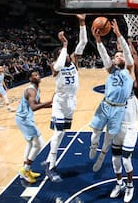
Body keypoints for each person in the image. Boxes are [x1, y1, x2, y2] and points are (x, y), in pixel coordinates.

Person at [41, 14, 87, 182]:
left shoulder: (74, 61)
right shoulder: (55, 66)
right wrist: (65, 45)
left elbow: (83, 43)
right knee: (58, 132)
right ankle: (50, 166)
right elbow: (59, 64)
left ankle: (49, 162)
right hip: (60, 102)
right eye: (64, 53)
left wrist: (82, 23)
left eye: (67, 53)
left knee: (61, 133)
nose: (68, 55)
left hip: (71, 102)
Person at [89, 18, 134, 165]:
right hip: (105, 105)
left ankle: (102, 156)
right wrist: (98, 41)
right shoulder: (111, 69)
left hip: (119, 109)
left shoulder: (129, 69)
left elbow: (127, 53)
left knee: (109, 135)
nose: (119, 56)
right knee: (96, 132)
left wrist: (119, 35)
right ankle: (94, 145)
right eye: (116, 56)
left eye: (120, 55)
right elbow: (104, 55)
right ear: (114, 60)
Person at [108, 39, 138, 203]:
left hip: (131, 128)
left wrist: (132, 51)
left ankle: (130, 185)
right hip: (117, 127)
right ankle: (119, 183)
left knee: (125, 159)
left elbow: (135, 70)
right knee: (115, 159)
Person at [16, 70, 53, 184]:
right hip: (24, 120)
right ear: (30, 79)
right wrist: (50, 101)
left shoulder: (36, 89)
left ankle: (26, 170)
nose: (38, 76)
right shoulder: (31, 90)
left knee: (31, 144)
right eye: (35, 75)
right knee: (39, 145)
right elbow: (33, 107)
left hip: (24, 119)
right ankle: (25, 169)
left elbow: (38, 103)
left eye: (38, 74)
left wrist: (52, 105)